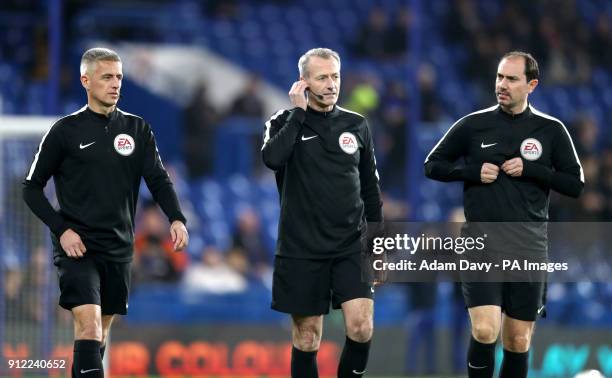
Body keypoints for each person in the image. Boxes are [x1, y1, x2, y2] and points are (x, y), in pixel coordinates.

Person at [22, 47, 189, 378]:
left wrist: (177, 217)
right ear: (86, 81)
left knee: (99, 337)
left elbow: (158, 179)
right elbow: (31, 188)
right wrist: (62, 230)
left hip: (119, 248)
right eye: (107, 77)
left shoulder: (137, 129)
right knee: (89, 327)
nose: (115, 84)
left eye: (119, 77)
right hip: (78, 248)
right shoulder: (64, 131)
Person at [424, 51, 583, 378]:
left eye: (511, 79)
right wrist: (468, 172)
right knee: (485, 330)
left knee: (518, 339)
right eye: (499, 77)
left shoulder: (550, 131)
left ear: (532, 84)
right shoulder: (473, 125)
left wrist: (533, 170)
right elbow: (432, 165)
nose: (502, 84)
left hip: (528, 247)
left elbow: (575, 184)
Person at [261, 48, 383, 378]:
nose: (331, 85)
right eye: (322, 78)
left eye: (335, 77)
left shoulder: (357, 125)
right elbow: (272, 159)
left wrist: (378, 246)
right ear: (303, 82)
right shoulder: (282, 122)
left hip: (350, 245)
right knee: (307, 336)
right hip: (302, 247)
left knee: (361, 326)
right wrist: (299, 114)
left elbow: (371, 192)